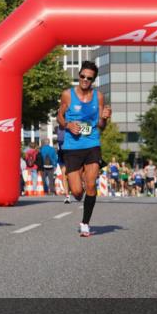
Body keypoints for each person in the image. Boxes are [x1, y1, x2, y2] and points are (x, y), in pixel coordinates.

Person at [56, 60, 111, 237]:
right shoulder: (67, 95)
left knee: (90, 185)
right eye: (82, 76)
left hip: (92, 144)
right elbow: (59, 116)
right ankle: (75, 174)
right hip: (72, 147)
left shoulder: (99, 97)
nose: (85, 80)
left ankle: (85, 223)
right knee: (78, 192)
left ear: (93, 80)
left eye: (89, 78)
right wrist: (67, 125)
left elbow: (101, 125)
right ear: (78, 75)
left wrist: (105, 118)